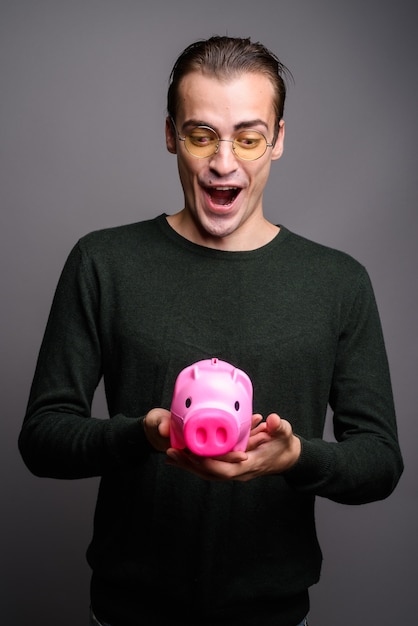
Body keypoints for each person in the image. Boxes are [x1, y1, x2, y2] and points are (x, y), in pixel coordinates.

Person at [18, 36, 403, 626]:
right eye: (202, 136)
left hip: (272, 614)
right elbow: (42, 438)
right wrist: (143, 435)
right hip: (127, 610)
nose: (225, 162)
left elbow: (378, 462)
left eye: (248, 138)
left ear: (277, 140)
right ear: (171, 134)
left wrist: (294, 456)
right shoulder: (103, 262)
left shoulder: (338, 281)